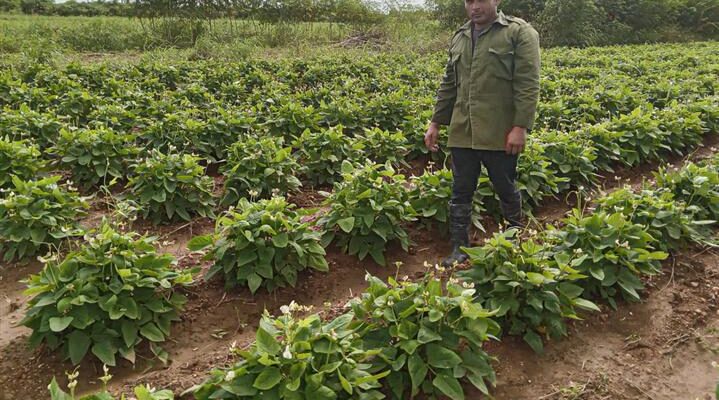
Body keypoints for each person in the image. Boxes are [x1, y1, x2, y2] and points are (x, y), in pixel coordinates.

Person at [424, 0, 540, 267]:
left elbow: (528, 83)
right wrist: (436, 122)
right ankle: (459, 248)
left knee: (504, 184)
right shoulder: (461, 36)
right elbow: (449, 83)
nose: (474, 7)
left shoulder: (518, 33)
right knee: (460, 190)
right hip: (463, 130)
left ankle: (514, 239)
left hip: (499, 131)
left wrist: (520, 127)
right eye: (469, 1)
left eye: (481, 0)